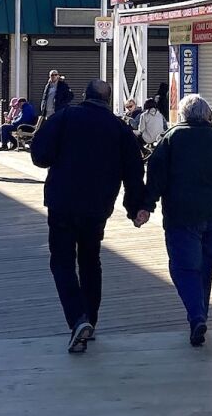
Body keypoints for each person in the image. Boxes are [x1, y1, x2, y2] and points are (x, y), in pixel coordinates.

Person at [30, 79, 147, 354]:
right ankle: (90, 320)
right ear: (108, 100)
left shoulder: (66, 117)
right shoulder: (119, 128)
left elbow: (40, 156)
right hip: (97, 208)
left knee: (62, 262)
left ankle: (78, 318)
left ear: (84, 95)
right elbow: (134, 171)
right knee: (91, 261)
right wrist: (135, 208)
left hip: (62, 203)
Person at [142, 94, 212, 348]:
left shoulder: (171, 138)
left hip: (183, 215)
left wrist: (145, 207)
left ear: (182, 114)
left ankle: (197, 316)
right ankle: (199, 318)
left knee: (183, 267)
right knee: (204, 267)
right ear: (206, 115)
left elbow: (155, 176)